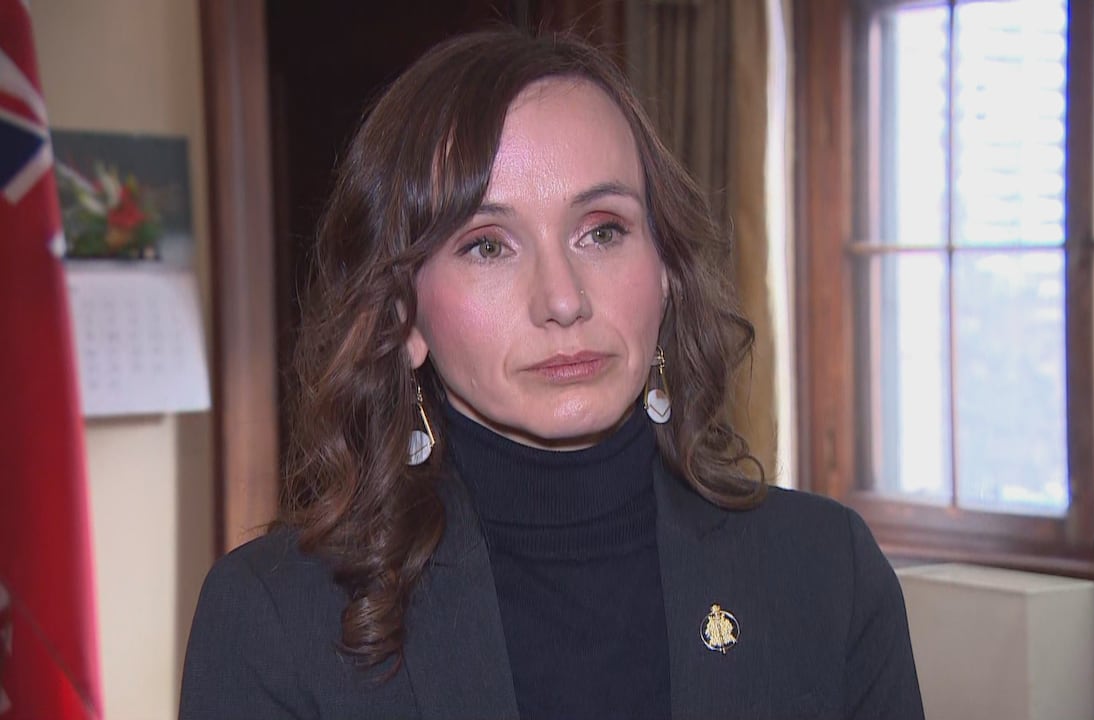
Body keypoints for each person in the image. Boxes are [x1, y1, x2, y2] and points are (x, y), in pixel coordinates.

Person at [179, 29, 924, 720]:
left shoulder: (828, 572)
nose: (563, 300)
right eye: (487, 246)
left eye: (602, 231)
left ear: (665, 270)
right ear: (402, 315)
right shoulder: (272, 618)